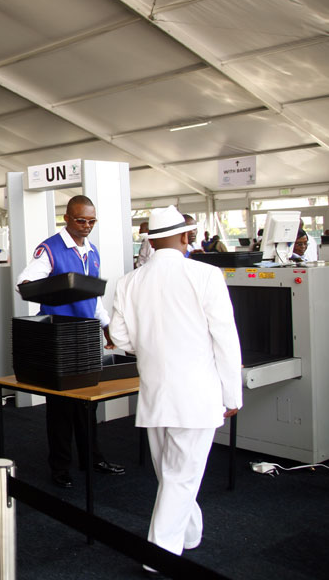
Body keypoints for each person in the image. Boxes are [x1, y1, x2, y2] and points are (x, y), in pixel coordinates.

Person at [108, 205, 241, 567]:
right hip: (197, 397)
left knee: (172, 475)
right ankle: (159, 556)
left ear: (150, 240)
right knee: (180, 477)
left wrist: (147, 345)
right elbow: (226, 340)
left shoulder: (128, 281)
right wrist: (232, 394)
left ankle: (189, 533)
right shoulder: (206, 275)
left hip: (155, 396)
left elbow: (119, 338)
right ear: (185, 237)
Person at [15, 195, 124, 489]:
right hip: (59, 337)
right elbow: (24, 283)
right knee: (61, 407)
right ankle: (60, 467)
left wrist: (106, 327)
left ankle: (92, 458)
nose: (87, 226)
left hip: (86, 334)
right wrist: (57, 292)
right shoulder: (50, 248)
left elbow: (94, 297)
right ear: (66, 218)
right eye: (81, 220)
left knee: (87, 405)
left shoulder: (92, 251)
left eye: (91, 221)